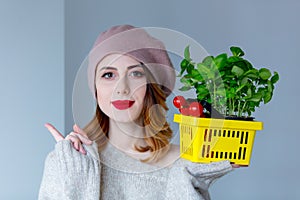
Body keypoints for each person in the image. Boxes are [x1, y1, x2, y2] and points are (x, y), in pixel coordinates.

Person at [38, 25, 234, 200]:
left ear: (151, 86)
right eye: (108, 75)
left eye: (136, 73)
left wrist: (187, 181)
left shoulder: (184, 164)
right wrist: (77, 179)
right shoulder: (67, 163)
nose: (122, 88)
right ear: (95, 88)